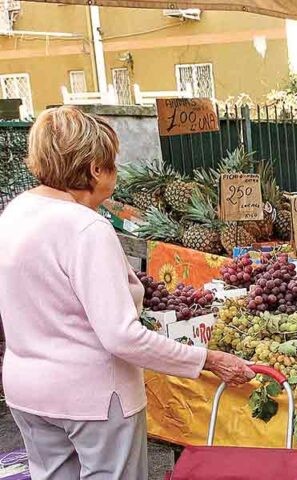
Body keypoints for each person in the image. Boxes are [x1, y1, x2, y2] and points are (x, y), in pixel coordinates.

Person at [0, 106, 257, 479]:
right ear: (94, 170)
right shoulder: (87, 229)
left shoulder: (14, 214)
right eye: (112, 165)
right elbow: (121, 336)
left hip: (27, 391)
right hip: (95, 398)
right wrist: (208, 359)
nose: (114, 176)